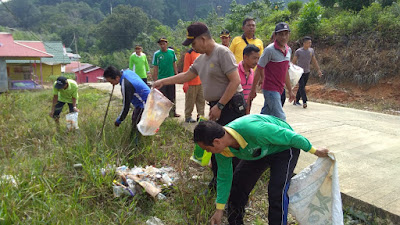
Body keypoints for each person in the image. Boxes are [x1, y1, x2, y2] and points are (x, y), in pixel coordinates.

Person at [153, 22, 246, 191]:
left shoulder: (222, 53)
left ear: (203, 39)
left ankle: (236, 187)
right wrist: (163, 81)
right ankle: (218, 182)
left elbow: (235, 81)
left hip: (230, 106)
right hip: (217, 106)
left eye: (194, 43)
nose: (193, 47)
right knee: (215, 145)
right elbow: (186, 75)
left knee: (230, 147)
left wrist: (220, 105)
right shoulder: (201, 59)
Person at [193, 114, 330, 225]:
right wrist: (219, 209)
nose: (209, 153)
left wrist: (314, 150)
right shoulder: (222, 150)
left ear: (216, 142)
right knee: (238, 185)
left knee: (276, 191)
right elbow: (224, 177)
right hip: (259, 151)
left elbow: (290, 136)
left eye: (207, 149)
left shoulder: (253, 130)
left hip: (284, 147)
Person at [249, 22, 295, 121]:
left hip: (280, 88)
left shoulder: (289, 50)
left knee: (265, 115)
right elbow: (259, 68)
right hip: (270, 89)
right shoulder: (269, 50)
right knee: (280, 117)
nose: (284, 37)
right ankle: (286, 135)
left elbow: (285, 72)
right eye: (281, 34)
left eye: (286, 34)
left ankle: (257, 130)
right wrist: (253, 90)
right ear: (275, 35)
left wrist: (290, 90)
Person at [152, 37, 180, 117]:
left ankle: (173, 112)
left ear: (167, 44)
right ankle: (162, 114)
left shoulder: (171, 52)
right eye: (161, 44)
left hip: (171, 78)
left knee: (172, 96)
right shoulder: (157, 54)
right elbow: (156, 67)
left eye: (164, 44)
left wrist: (176, 74)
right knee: (162, 97)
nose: (162, 45)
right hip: (162, 79)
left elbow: (174, 63)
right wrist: (155, 79)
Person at [292, 36, 323, 108]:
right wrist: (292, 71)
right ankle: (304, 101)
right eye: (308, 43)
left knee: (302, 86)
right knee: (302, 86)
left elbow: (314, 60)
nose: (310, 44)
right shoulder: (298, 51)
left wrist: (318, 70)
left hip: (307, 71)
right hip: (299, 72)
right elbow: (293, 62)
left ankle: (296, 100)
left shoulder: (311, 51)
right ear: (304, 43)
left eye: (310, 42)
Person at [182, 48, 205, 123]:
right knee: (190, 101)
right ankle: (188, 116)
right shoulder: (189, 54)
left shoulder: (201, 52)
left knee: (201, 100)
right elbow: (186, 68)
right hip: (191, 82)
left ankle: (200, 116)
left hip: (200, 81)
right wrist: (185, 82)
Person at [238, 44, 260, 114]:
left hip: (244, 110)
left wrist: (247, 113)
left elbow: (248, 97)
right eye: (254, 58)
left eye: (258, 58)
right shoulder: (235, 71)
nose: (256, 62)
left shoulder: (252, 72)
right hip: (233, 110)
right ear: (245, 57)